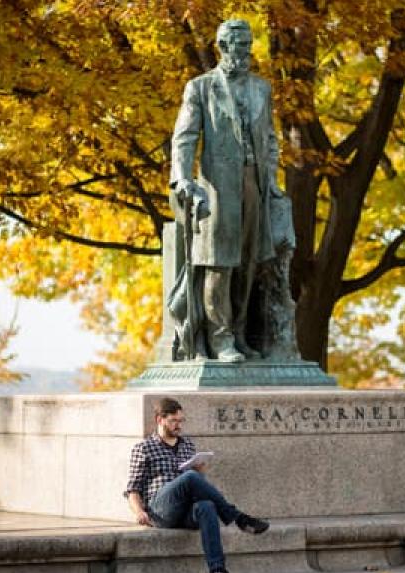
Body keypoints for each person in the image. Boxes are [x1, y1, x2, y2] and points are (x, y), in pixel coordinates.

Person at [170, 18, 283, 363]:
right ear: (222, 46)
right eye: (238, 44)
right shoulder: (200, 87)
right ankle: (220, 340)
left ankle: (239, 332)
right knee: (219, 263)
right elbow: (185, 137)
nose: (245, 51)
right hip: (218, 187)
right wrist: (182, 178)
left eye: (248, 44)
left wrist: (273, 181)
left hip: (256, 183)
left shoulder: (262, 89)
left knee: (249, 262)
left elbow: (271, 139)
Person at [124, 397, 269, 573]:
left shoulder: (187, 445)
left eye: (181, 421)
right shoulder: (144, 448)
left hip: (184, 511)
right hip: (160, 510)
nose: (178, 425)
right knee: (190, 477)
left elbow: (197, 486)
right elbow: (133, 488)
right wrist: (139, 512)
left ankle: (217, 569)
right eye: (173, 421)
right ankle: (238, 518)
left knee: (206, 506)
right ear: (159, 420)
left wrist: (200, 472)